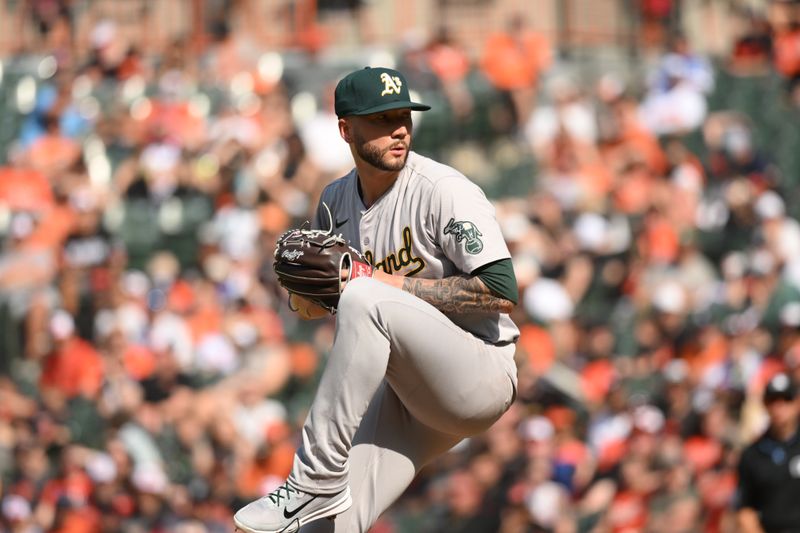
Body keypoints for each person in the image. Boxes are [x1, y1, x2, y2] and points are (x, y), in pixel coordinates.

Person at [234, 66, 520, 533]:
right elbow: (328, 301)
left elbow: (502, 292)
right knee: (324, 528)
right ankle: (317, 498)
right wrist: (308, 294)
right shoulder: (334, 200)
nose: (400, 128)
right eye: (382, 118)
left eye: (403, 115)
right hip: (407, 394)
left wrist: (376, 282)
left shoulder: (442, 191)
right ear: (346, 129)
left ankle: (313, 477)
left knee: (367, 295)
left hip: (479, 371)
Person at [736, 372, 800, 533]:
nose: (779, 407)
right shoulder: (753, 454)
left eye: (786, 399)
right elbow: (745, 508)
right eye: (772, 401)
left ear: (797, 403)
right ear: (765, 404)